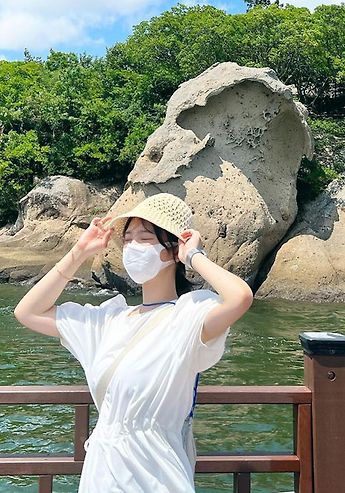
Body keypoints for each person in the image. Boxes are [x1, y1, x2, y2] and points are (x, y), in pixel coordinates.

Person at [14, 193, 253, 493]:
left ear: (173, 249)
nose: (132, 246)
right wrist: (79, 252)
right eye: (127, 239)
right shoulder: (107, 320)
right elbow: (28, 312)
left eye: (145, 237)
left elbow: (240, 297)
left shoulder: (188, 316)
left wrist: (194, 255)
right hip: (101, 476)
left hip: (157, 476)